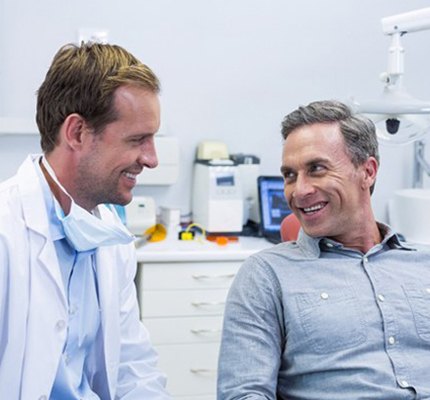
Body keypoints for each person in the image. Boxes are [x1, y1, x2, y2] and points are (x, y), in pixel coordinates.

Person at [217, 100, 430, 399]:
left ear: (367, 171)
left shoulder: (423, 265)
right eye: (290, 175)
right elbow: (243, 393)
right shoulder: (267, 275)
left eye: (316, 169)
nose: (299, 191)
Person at [0, 42, 171, 399]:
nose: (152, 159)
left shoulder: (109, 236)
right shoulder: (6, 233)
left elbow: (131, 365)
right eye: (138, 139)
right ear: (77, 133)